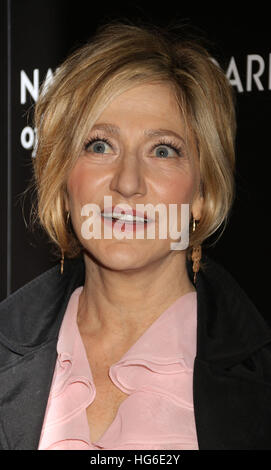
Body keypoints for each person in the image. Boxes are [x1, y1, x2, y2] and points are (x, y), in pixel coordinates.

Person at [1, 21, 271, 451]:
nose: (128, 183)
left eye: (163, 150)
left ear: (202, 193)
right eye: (100, 145)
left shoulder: (259, 378)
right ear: (63, 181)